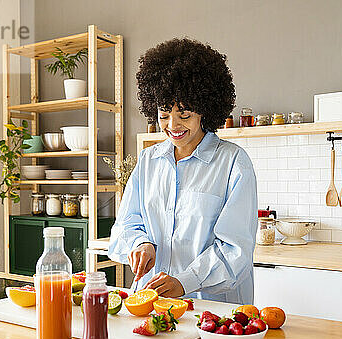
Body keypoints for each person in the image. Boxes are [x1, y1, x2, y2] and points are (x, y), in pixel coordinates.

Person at [108, 38, 257, 304]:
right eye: (164, 114)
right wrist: (139, 244)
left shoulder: (234, 163)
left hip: (211, 311)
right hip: (153, 303)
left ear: (205, 109)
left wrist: (184, 282)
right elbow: (126, 224)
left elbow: (235, 251)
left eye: (184, 114)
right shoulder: (148, 161)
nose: (172, 125)